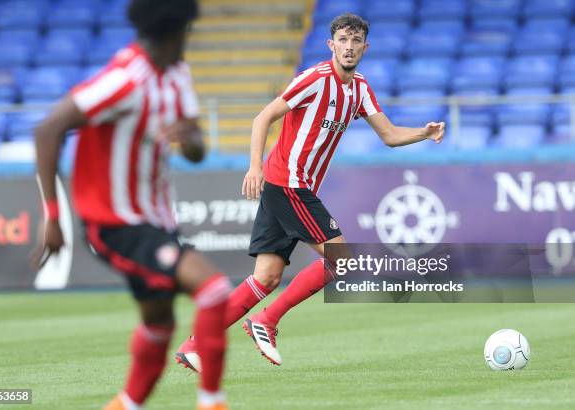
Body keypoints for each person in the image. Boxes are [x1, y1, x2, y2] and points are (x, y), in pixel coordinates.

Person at [175, 13, 444, 368]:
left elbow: (390, 135)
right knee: (342, 260)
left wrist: (424, 133)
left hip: (287, 186)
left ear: (366, 47)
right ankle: (265, 321)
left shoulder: (360, 89)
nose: (349, 48)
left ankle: (195, 344)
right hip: (289, 183)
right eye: (343, 41)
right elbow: (263, 117)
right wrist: (254, 165)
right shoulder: (315, 79)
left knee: (267, 277)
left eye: (355, 41)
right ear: (331, 45)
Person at [32, 1, 231, 409]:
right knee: (212, 290)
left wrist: (189, 139)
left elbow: (195, 149)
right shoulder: (125, 79)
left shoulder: (177, 75)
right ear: (179, 31)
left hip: (155, 221)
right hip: (114, 222)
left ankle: (125, 404)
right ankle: (213, 402)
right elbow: (49, 128)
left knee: (159, 323)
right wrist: (53, 215)